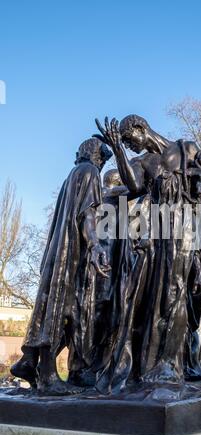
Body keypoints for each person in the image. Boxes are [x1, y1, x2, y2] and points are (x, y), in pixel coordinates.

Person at [93, 115, 201, 393]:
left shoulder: (185, 149)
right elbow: (134, 188)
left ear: (142, 129)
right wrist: (118, 150)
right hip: (154, 233)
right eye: (127, 144)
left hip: (185, 229)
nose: (131, 146)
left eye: (131, 140)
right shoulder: (142, 162)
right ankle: (146, 366)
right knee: (145, 298)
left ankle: (168, 364)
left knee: (174, 294)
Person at [11, 138, 112, 395]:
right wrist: (95, 246)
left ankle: (29, 361)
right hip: (72, 253)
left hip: (61, 250)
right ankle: (47, 376)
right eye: (103, 158)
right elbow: (87, 214)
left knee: (65, 311)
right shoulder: (89, 172)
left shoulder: (73, 174)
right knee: (62, 310)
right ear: (96, 156)